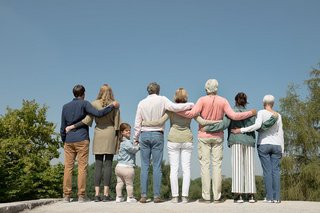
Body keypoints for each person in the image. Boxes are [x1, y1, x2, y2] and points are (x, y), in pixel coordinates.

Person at [177, 79, 256, 203]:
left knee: (204, 166)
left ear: (206, 89)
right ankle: (217, 197)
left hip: (204, 136)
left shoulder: (201, 100)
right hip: (218, 137)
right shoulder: (223, 101)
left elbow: (191, 114)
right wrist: (251, 112)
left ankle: (206, 197)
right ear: (217, 89)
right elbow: (234, 116)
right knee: (217, 166)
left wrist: (175, 109)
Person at [142, 88, 220, 203]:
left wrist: (144, 123)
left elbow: (159, 122)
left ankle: (174, 197)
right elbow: (202, 122)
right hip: (187, 140)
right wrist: (217, 121)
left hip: (173, 140)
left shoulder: (171, 109)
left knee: (174, 169)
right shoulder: (190, 108)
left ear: (175, 97)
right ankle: (184, 196)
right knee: (186, 169)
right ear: (186, 97)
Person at [203, 93, 279, 203]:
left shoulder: (230, 111)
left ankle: (239, 196)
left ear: (235, 100)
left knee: (237, 167)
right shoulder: (252, 114)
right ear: (245, 101)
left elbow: (223, 125)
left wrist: (207, 128)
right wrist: (273, 118)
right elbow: (260, 127)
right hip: (249, 141)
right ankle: (251, 195)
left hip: (236, 139)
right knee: (249, 168)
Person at [133, 82, 194, 203]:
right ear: (158, 90)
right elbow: (176, 108)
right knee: (157, 166)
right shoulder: (162, 99)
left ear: (148, 91)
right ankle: (156, 196)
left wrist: (136, 138)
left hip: (144, 134)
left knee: (144, 166)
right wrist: (191, 104)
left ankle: (143, 195)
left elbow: (137, 122)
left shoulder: (141, 103)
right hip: (157, 134)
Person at [60, 84, 119, 202]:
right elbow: (102, 115)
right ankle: (83, 195)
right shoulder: (88, 104)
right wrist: (111, 106)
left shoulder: (66, 106)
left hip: (71, 139)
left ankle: (67, 195)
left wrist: (65, 138)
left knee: (68, 167)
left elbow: (63, 125)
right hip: (85, 138)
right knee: (84, 167)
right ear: (83, 93)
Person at [232, 94, 284, 203]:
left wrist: (241, 130)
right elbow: (281, 133)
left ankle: (269, 197)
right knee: (276, 171)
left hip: (264, 144)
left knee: (267, 172)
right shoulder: (278, 116)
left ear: (264, 103)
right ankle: (277, 197)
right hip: (277, 145)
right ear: (273, 104)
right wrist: (282, 149)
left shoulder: (261, 112)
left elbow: (256, 126)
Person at [115, 123, 140, 203]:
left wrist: (134, 145)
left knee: (119, 183)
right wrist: (138, 146)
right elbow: (132, 150)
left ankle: (119, 197)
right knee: (129, 184)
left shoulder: (122, 142)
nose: (128, 132)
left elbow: (130, 148)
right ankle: (130, 197)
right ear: (122, 132)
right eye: (126, 130)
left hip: (118, 167)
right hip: (127, 167)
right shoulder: (127, 141)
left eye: (129, 130)